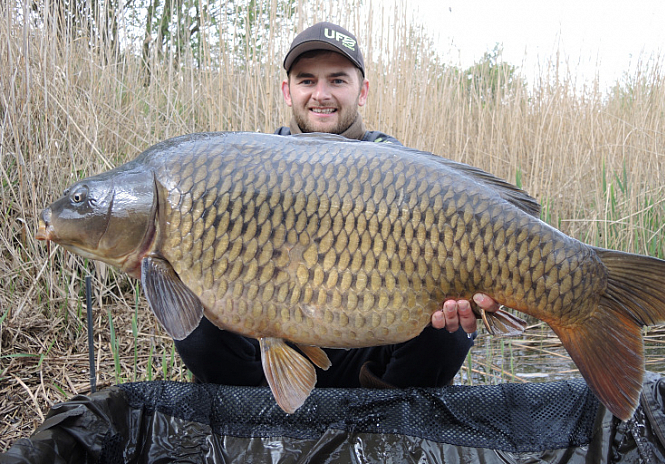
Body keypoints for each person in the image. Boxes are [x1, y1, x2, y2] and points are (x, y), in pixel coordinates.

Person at [174, 22, 501, 390]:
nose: (321, 94)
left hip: (371, 350)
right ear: (288, 91)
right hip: (272, 349)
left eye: (338, 80)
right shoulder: (254, 166)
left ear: (362, 92)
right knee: (191, 315)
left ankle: (387, 424)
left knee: (448, 326)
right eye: (307, 80)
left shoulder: (394, 164)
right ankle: (260, 422)